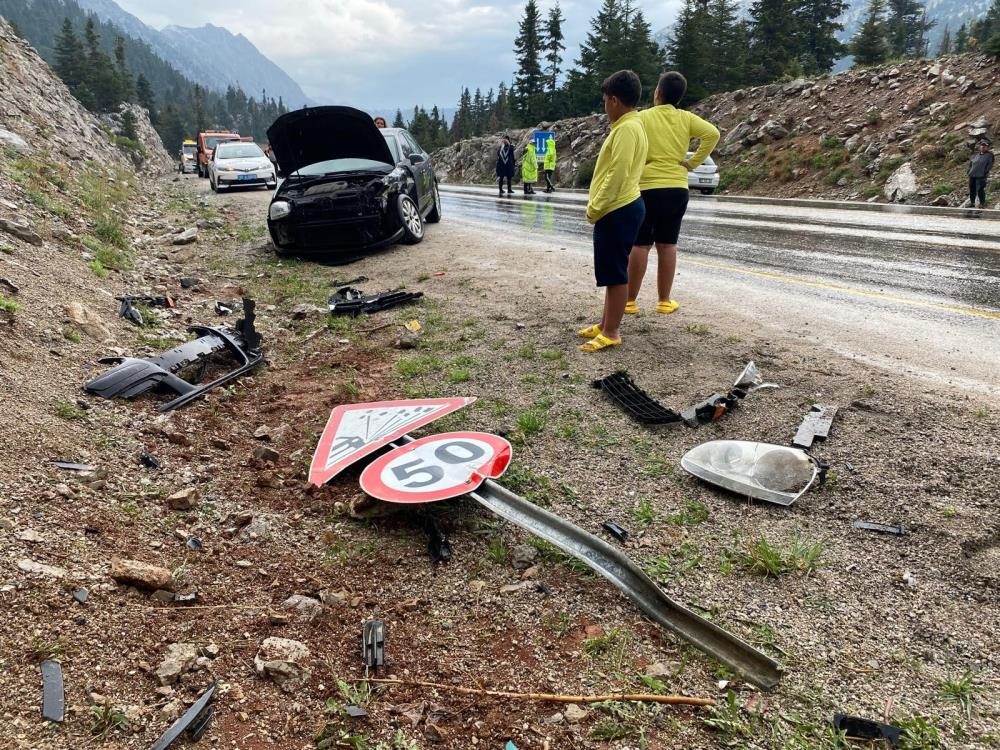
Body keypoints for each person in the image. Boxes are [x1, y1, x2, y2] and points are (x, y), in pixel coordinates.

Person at [626, 71, 719, 316]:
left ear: (657, 92)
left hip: (647, 187)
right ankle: (664, 300)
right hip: (677, 188)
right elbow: (713, 134)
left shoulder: (642, 117)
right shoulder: (686, 118)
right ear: (679, 97)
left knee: (640, 245)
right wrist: (692, 163)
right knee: (668, 245)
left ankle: (630, 301)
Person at [579, 70, 648, 353]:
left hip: (618, 208)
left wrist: (596, 207)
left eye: (606, 100)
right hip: (622, 206)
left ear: (615, 100)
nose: (605, 106)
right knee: (610, 272)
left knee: (616, 272)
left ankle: (611, 331)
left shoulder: (627, 130)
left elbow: (617, 174)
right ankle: (605, 321)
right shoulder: (631, 126)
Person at [967, 140, 994, 208]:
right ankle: (972, 202)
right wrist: (969, 171)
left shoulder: (989, 155)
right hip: (972, 175)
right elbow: (971, 163)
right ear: (980, 147)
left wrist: (985, 172)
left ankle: (982, 204)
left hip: (981, 175)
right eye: (982, 146)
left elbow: (990, 165)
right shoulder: (976, 155)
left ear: (987, 147)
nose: (983, 147)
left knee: (980, 190)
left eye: (985, 146)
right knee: (972, 189)